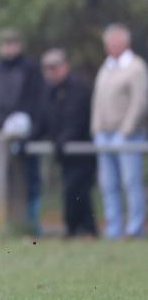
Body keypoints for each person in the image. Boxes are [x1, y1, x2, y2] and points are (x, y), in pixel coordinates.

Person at [0, 29, 44, 234]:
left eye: (13, 43)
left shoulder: (30, 70)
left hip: (24, 136)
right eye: (6, 43)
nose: (9, 47)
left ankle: (30, 223)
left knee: (29, 181)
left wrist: (31, 133)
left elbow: (37, 103)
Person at [91, 24, 147, 239]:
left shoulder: (136, 67)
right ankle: (113, 230)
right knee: (108, 185)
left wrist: (126, 131)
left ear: (126, 43)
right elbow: (97, 101)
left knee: (130, 183)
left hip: (127, 135)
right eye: (108, 43)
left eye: (115, 42)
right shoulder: (106, 67)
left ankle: (134, 229)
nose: (111, 47)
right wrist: (96, 129)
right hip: (104, 134)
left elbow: (139, 101)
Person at [39, 49, 97, 238]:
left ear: (65, 67)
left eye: (54, 68)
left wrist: (64, 139)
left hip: (80, 150)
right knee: (74, 191)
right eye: (47, 68)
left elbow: (78, 119)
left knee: (77, 190)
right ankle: (82, 230)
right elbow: (45, 120)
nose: (50, 72)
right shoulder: (49, 91)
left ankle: (78, 230)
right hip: (64, 152)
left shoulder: (78, 87)